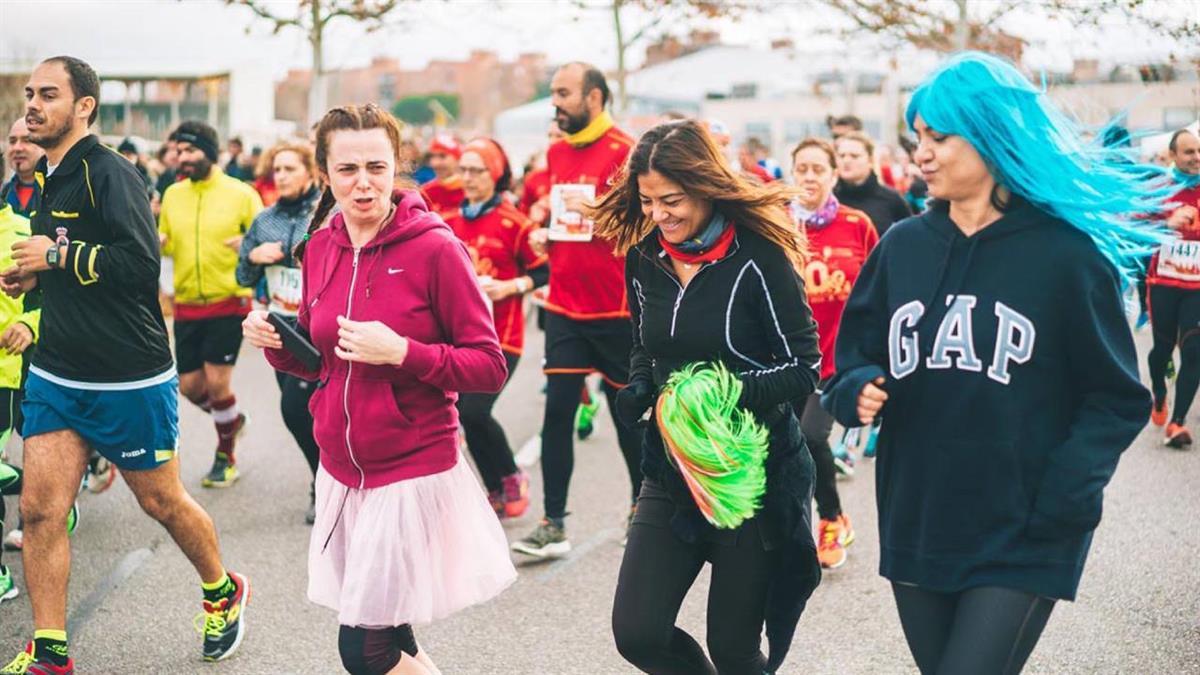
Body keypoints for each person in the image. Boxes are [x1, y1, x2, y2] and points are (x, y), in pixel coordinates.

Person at [821, 51, 1167, 674]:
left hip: (1026, 527)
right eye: (917, 137)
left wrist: (1065, 498)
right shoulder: (903, 248)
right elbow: (849, 360)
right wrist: (856, 389)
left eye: (939, 137)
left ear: (991, 136)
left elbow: (1116, 398)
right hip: (920, 519)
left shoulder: (1066, 256)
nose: (921, 153)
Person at [243, 103, 515, 675]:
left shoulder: (437, 249)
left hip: (411, 469)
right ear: (326, 174)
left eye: (377, 166)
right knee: (395, 637)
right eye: (347, 170)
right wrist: (272, 341)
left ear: (398, 168)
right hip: (343, 471)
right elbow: (323, 365)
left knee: (365, 651)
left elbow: (489, 365)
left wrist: (404, 352)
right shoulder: (319, 247)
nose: (363, 182)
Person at [2, 55, 249, 674]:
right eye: (30, 94)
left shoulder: (111, 174)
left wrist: (54, 257)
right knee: (38, 510)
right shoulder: (49, 175)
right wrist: (28, 280)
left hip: (129, 376)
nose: (32, 105)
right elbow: (63, 267)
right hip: (57, 371)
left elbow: (139, 269)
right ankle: (51, 649)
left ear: (84, 106)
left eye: (48, 95)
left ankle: (223, 590)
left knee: (161, 504)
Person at [594, 119, 821, 674]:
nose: (658, 214)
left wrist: (720, 394)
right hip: (671, 470)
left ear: (704, 186)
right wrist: (640, 385)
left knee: (735, 652)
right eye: (647, 201)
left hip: (752, 477)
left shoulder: (758, 257)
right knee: (638, 633)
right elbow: (645, 344)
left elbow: (804, 366)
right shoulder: (645, 256)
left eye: (671, 199)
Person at [511, 62, 643, 559]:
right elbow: (563, 216)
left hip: (616, 309)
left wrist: (603, 220)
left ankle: (641, 509)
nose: (555, 102)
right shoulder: (556, 151)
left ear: (594, 97)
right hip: (565, 304)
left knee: (628, 415)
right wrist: (547, 229)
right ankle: (553, 523)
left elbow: (646, 223)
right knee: (558, 413)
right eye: (552, 93)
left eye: (563, 93)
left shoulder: (627, 151)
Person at [446, 137, 548, 519]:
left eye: (478, 171)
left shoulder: (514, 224)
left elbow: (543, 270)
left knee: (473, 411)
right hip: (458, 337)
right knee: (462, 415)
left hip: (503, 337)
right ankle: (496, 488)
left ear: (496, 175)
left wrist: (511, 286)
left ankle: (509, 475)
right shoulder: (449, 224)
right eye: (465, 170)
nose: (469, 179)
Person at [790, 136, 878, 569]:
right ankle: (793, 529)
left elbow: (882, 286)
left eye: (817, 169)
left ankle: (831, 519)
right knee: (785, 446)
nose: (809, 177)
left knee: (810, 437)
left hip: (836, 359)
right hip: (788, 358)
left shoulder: (857, 223)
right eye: (801, 168)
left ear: (833, 174)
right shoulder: (777, 225)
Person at [159, 120, 263, 488]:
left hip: (229, 299)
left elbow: (264, 238)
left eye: (190, 151)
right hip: (187, 301)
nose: (182, 158)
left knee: (218, 383)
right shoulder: (173, 195)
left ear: (211, 151)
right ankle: (231, 419)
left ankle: (226, 456)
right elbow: (170, 244)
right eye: (179, 152)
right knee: (189, 386)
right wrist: (160, 242)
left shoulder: (241, 193)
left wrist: (248, 244)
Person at [235, 140, 321, 523]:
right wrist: (253, 256)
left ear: (310, 172)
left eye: (290, 169)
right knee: (299, 410)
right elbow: (242, 275)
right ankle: (328, 478)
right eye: (278, 170)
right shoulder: (263, 220)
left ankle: (324, 484)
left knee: (297, 408)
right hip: (280, 325)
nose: (282, 177)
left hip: (318, 325)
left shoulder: (325, 213)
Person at [1146, 128, 1200, 446]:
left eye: (1199, 152)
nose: (1196, 158)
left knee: (1194, 350)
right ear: (1173, 155)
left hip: (1197, 288)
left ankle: (1177, 423)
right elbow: (1134, 224)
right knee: (1161, 351)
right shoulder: (1158, 189)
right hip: (1164, 283)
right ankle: (1159, 394)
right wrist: (1166, 223)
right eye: (1189, 152)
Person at [834, 131, 912, 237]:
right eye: (841, 156)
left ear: (870, 160)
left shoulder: (891, 199)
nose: (846, 160)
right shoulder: (829, 199)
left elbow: (910, 237)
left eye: (854, 156)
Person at [2, 118, 44, 218]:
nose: (17, 148)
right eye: (12, 141)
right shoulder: (3, 194)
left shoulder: (60, 193)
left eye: (27, 140)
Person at [419, 134, 464, 222]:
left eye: (442, 156)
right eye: (432, 157)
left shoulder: (472, 192)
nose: (435, 163)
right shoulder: (425, 193)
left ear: (458, 159)